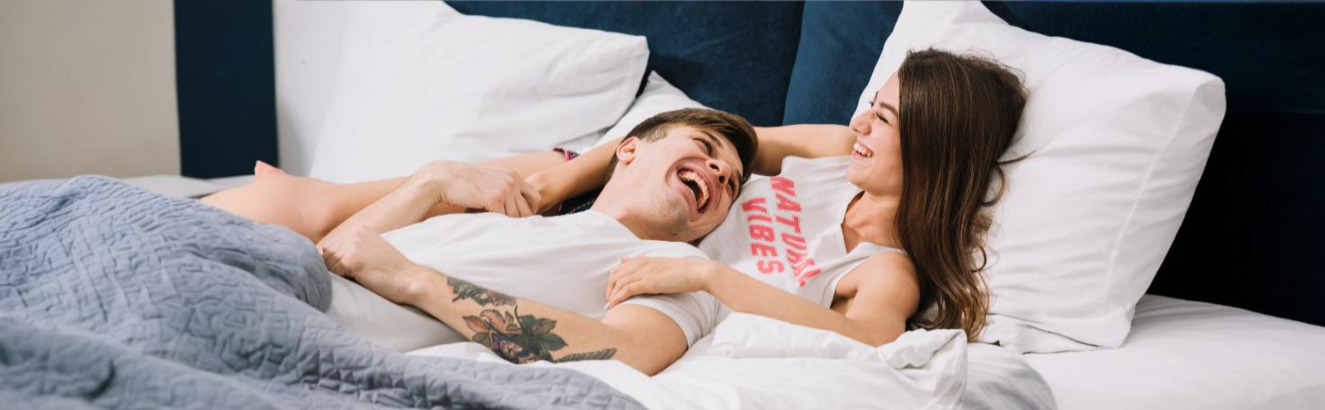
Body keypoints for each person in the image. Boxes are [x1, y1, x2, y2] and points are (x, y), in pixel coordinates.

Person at [203, 108, 758, 376]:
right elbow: (340, 251)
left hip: (314, 340)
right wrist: (430, 183)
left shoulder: (677, 266)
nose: (718, 171)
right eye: (706, 147)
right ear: (629, 150)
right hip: (277, 282)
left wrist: (415, 280)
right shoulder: (519, 208)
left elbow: (630, 353)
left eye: (730, 182)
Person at [544, 48, 1027, 344]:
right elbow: (697, 134)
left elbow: (867, 340)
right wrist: (549, 186)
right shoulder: (837, 153)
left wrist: (706, 275)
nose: (859, 123)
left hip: (637, 289)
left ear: (930, 150)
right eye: (870, 106)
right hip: (611, 203)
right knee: (507, 182)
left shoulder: (884, 269)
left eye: (882, 119)